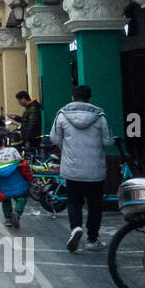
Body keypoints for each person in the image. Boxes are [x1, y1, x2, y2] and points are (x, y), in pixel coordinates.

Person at [50, 84, 114, 252]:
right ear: (89, 98)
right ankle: (92, 239)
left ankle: (75, 228)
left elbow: (54, 139)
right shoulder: (100, 117)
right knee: (94, 205)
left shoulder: (62, 116)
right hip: (95, 170)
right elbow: (108, 141)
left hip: (72, 169)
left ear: (72, 97)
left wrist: (67, 146)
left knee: (74, 201)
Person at [0, 139, 32, 230]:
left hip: (4, 184)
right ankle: (17, 213)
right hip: (17, 181)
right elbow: (22, 164)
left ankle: (8, 218)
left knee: (5, 199)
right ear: (3, 141)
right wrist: (29, 177)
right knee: (22, 197)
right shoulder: (13, 150)